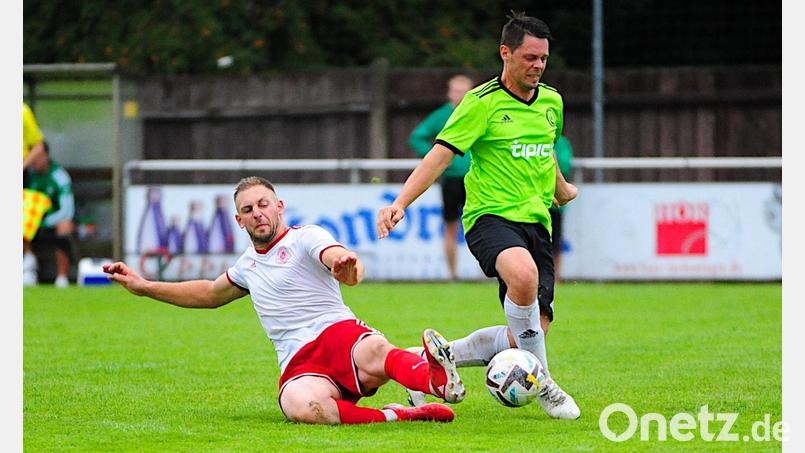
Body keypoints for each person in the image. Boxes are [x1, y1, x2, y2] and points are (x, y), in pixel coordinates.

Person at [104, 176, 466, 425]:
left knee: (374, 351)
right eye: (248, 210)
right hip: (298, 361)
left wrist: (346, 268)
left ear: (279, 206)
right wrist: (144, 286)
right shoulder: (246, 266)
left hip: (337, 334)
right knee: (301, 407)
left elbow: (341, 259)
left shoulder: (306, 237)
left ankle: (433, 381)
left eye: (263, 204)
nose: (257, 213)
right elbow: (209, 294)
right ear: (239, 220)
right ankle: (401, 415)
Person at [376, 12, 580, 419]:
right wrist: (400, 203)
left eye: (543, 58)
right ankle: (546, 386)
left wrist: (561, 188)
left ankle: (431, 359)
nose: (538, 66)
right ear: (505, 53)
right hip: (489, 217)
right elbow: (438, 158)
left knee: (530, 329)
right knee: (523, 277)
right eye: (530, 57)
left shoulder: (552, 102)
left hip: (537, 221)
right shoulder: (480, 103)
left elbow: (546, 149)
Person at [408, 74, 474, 281]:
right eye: (455, 91)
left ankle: (490, 272)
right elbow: (417, 137)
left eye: (463, 92)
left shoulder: (477, 112)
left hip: (478, 178)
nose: (459, 96)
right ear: (449, 93)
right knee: (451, 226)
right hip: (452, 180)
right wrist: (437, 159)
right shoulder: (441, 116)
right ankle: (453, 274)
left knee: (484, 224)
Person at [24, 142, 77, 287]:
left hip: (53, 220)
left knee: (64, 227)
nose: (34, 161)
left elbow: (67, 210)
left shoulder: (59, 176)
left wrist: (46, 222)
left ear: (46, 156)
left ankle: (62, 277)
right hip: (32, 222)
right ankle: (28, 269)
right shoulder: (27, 175)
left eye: (38, 156)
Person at [23, 102, 48, 285]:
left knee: (21, 225)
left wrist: (21, 166)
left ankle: (27, 265)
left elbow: (38, 145)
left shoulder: (22, 111)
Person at [549, 135, 573, 282]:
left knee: (555, 241)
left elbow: (565, 165)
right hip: (531, 202)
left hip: (555, 204)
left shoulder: (561, 143)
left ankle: (556, 276)